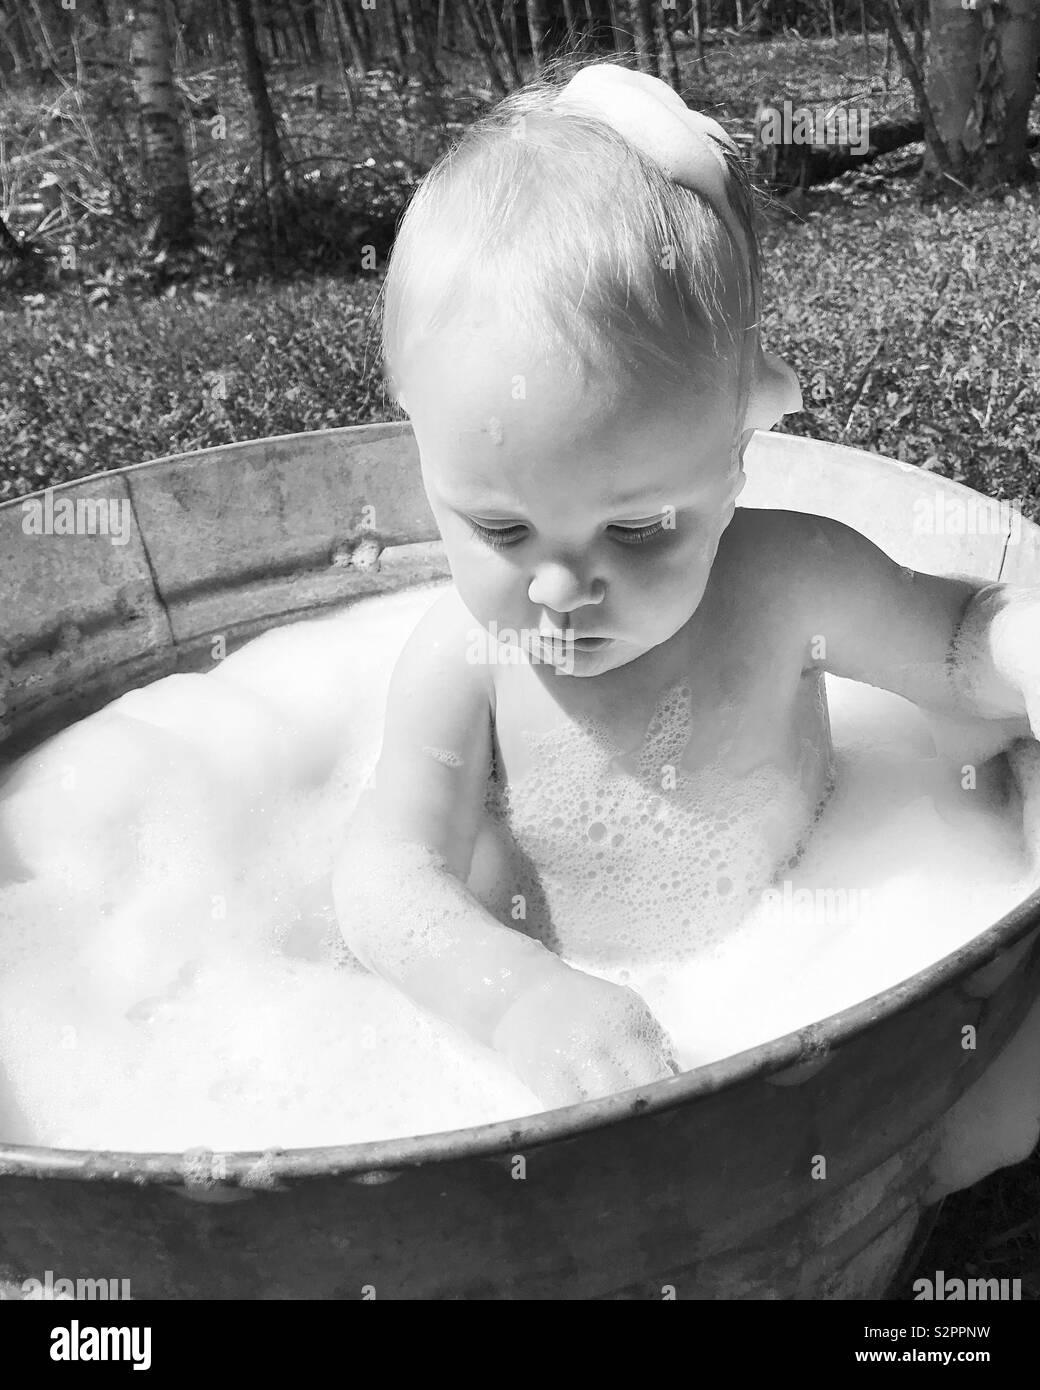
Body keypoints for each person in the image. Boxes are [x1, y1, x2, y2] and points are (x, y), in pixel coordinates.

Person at [333, 64, 1040, 1107]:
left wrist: (1019, 652)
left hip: (806, 967)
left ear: (735, 456)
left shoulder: (790, 582)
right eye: (499, 527)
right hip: (566, 1040)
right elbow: (388, 880)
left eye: (635, 528)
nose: (562, 585)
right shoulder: (462, 661)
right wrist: (518, 1000)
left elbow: (952, 645)